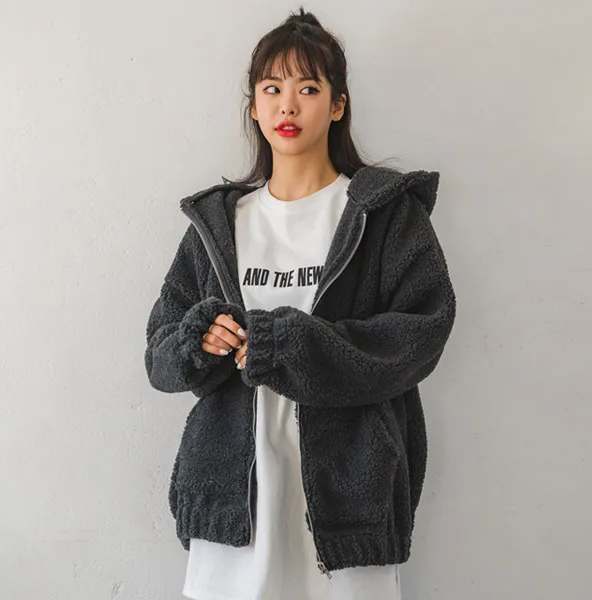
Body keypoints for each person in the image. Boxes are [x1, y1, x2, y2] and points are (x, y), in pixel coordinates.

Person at [144, 7, 457, 600]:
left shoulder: (383, 215)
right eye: (272, 89)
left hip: (348, 505)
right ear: (254, 106)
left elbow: (421, 333)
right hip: (233, 508)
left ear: (337, 104)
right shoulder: (216, 223)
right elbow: (159, 355)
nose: (287, 106)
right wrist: (198, 339)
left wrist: (288, 345)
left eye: (308, 89)